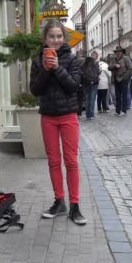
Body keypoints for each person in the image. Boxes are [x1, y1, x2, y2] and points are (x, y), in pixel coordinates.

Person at [30, 19, 87, 225]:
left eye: (59, 36)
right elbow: (35, 89)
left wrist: (57, 68)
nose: (55, 40)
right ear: (45, 38)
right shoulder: (37, 60)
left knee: (71, 161)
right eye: (51, 36)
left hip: (68, 116)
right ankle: (59, 201)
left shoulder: (72, 60)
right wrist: (46, 69)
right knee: (53, 161)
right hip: (48, 117)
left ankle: (75, 206)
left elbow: (73, 86)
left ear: (64, 38)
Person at [109, 46, 132, 116]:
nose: (118, 53)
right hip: (116, 80)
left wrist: (125, 77)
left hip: (123, 79)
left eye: (119, 52)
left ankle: (124, 110)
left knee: (124, 96)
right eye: (117, 52)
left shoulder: (126, 58)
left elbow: (130, 69)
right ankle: (117, 111)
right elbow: (109, 67)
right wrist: (114, 66)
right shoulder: (114, 59)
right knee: (117, 96)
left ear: (122, 52)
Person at [82, 51, 101, 120]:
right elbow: (98, 72)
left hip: (87, 82)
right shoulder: (95, 62)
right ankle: (91, 114)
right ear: (95, 56)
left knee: (88, 99)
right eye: (96, 56)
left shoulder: (85, 62)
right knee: (92, 98)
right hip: (94, 82)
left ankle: (88, 115)